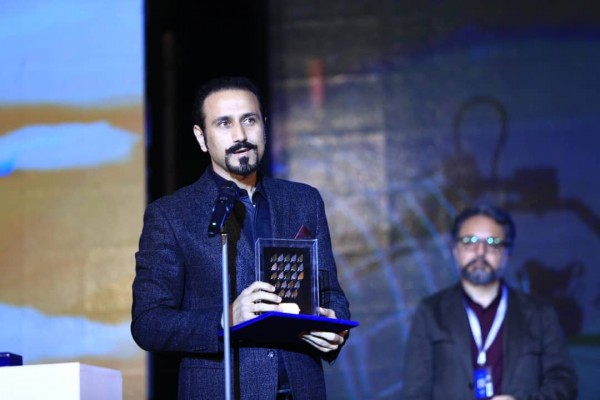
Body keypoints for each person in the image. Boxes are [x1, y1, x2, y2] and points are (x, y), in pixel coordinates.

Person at [131, 76, 351, 399]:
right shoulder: (171, 215)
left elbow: (330, 293)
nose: (240, 135)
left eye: (249, 120)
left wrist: (335, 324)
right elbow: (148, 322)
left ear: (264, 126)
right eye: (224, 123)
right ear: (201, 137)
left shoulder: (304, 201)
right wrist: (225, 319)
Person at [402, 204, 577, 400]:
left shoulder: (540, 314)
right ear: (455, 250)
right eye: (469, 241)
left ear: (507, 253)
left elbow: (564, 383)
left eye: (492, 242)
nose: (480, 251)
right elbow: (415, 392)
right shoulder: (431, 312)